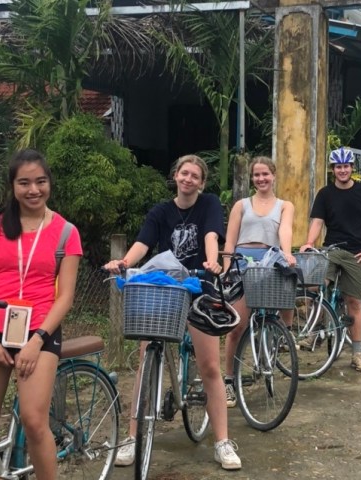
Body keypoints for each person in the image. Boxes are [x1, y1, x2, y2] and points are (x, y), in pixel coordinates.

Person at [104, 154, 241, 470]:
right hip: (165, 289)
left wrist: (212, 263)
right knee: (143, 363)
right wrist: (125, 262)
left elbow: (210, 236)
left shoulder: (207, 205)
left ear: (201, 183)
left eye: (195, 175)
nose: (188, 179)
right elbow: (143, 243)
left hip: (198, 285)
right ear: (175, 176)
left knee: (209, 365)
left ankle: (222, 442)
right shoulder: (160, 211)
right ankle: (131, 438)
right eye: (184, 173)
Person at [0, 149, 83, 479]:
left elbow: (66, 297)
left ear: (49, 183)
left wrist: (37, 341)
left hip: (40, 330)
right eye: (24, 183)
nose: (34, 190)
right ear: (12, 186)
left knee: (34, 422)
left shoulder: (65, 232)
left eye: (41, 181)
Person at [299, 147, 361, 372]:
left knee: (354, 303)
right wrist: (309, 241)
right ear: (333, 169)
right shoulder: (325, 194)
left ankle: (357, 354)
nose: (343, 170)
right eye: (339, 167)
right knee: (315, 287)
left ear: (352, 168)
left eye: (346, 166)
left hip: (357, 253)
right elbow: (317, 221)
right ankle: (313, 332)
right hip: (331, 249)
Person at [222, 156, 295, 408]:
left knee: (281, 297)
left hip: (269, 259)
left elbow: (285, 230)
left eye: (265, 174)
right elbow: (230, 241)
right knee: (236, 327)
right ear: (252, 178)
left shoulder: (285, 205)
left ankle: (282, 338)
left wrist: (286, 251)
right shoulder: (241, 205)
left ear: (274, 176)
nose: (261, 179)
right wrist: (225, 268)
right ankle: (229, 381)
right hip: (242, 261)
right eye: (257, 175)